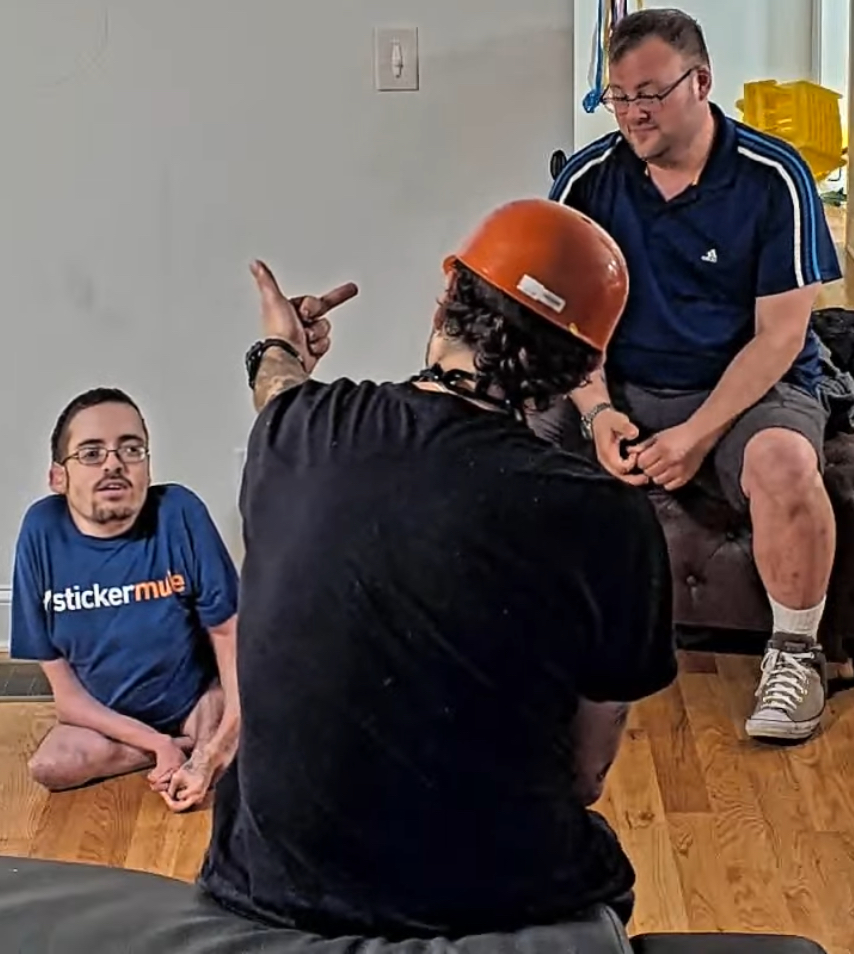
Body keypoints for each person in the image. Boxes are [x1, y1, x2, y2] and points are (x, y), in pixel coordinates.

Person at [197, 200, 677, 939]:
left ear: (448, 298)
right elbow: (584, 776)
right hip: (490, 899)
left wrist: (277, 344)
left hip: (266, 885)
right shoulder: (608, 518)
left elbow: (276, 386)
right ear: (583, 369)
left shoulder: (297, 429)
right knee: (599, 860)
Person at [539, 6, 844, 746]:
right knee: (497, 444)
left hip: (749, 386)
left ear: (700, 82)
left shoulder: (774, 176)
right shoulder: (588, 180)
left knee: (783, 462)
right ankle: (518, 638)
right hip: (623, 382)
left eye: (649, 93)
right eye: (618, 96)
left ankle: (795, 653)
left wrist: (697, 435)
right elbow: (566, 323)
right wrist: (597, 412)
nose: (632, 112)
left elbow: (780, 336)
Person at [11, 387, 242, 813]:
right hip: (107, 720)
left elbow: (230, 636)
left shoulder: (179, 511)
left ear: (147, 468)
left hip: (194, 702)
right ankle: (174, 750)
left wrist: (216, 747)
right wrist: (157, 744)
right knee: (50, 766)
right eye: (91, 453)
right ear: (58, 478)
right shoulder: (41, 531)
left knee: (245, 731)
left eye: (131, 450)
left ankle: (193, 746)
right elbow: (67, 698)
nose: (114, 464)